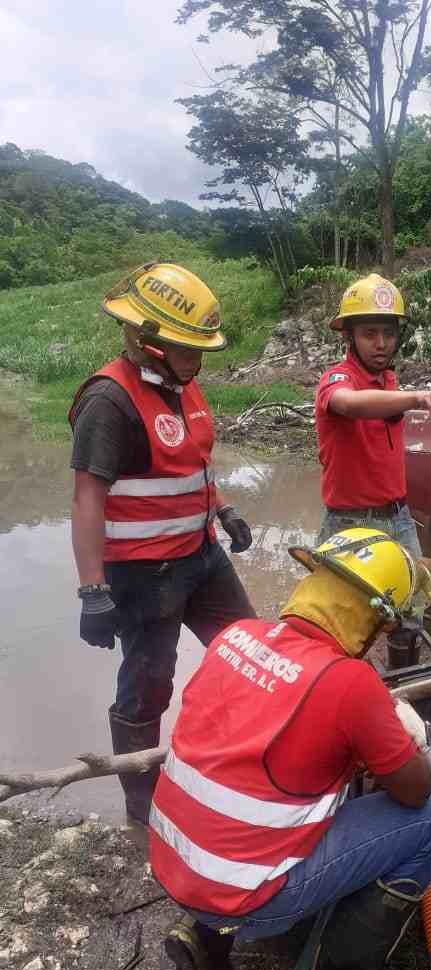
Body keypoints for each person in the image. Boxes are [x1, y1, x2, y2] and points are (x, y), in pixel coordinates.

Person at [151, 527, 431, 970]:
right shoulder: (349, 683)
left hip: (173, 862)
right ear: (373, 616)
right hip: (242, 898)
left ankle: (206, 938)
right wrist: (402, 735)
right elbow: (415, 791)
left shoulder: (235, 636)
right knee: (428, 825)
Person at [69, 261, 256, 826]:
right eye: (186, 350)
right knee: (148, 685)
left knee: (247, 651)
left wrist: (222, 507)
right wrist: (92, 591)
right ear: (148, 342)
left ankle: (239, 761)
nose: (196, 362)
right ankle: (141, 806)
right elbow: (85, 501)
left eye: (199, 351)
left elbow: (192, 461)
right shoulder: (109, 402)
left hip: (201, 556)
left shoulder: (183, 384)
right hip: (143, 575)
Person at [315, 273, 431, 668]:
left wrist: (404, 395)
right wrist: (415, 397)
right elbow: (347, 403)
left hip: (398, 518)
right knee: (342, 623)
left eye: (388, 333)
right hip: (350, 523)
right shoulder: (338, 378)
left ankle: (405, 692)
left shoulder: (389, 381)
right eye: (369, 333)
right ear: (349, 337)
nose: (381, 344)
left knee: (410, 612)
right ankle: (340, 700)